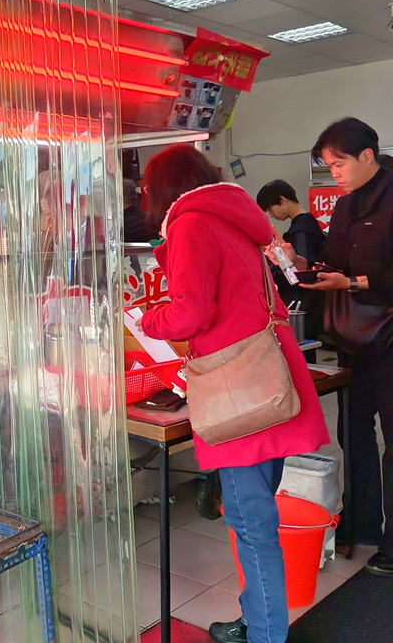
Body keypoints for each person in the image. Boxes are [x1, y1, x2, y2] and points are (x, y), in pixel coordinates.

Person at [138, 145, 328, 643]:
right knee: (258, 514)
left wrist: (148, 319)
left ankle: (265, 634)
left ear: (162, 189)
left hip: (237, 395)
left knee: (251, 524)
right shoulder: (236, 219)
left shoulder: (189, 223)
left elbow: (191, 313)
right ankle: (256, 618)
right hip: (270, 381)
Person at [285, 118, 393, 576]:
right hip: (353, 337)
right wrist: (300, 263)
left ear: (367, 155)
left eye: (340, 164)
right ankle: (361, 525)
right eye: (329, 167)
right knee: (353, 434)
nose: (336, 175)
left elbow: (361, 275)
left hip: (389, 337)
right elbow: (336, 262)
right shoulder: (346, 206)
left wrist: (352, 282)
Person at [256, 180, 326, 343]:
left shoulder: (301, 229)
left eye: (270, 209)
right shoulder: (306, 224)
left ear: (282, 200)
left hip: (304, 301)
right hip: (310, 299)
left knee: (303, 343)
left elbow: (302, 270)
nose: (271, 215)